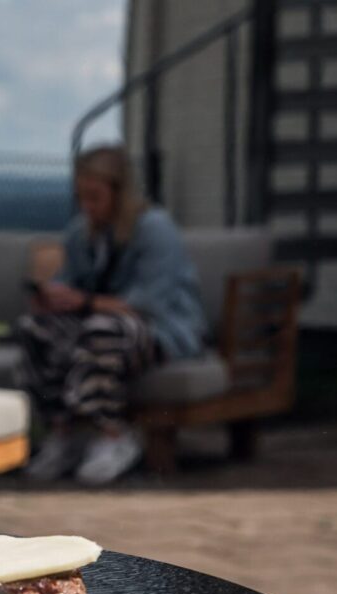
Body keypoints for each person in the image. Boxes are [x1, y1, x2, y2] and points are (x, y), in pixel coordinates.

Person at [16, 145, 204, 484]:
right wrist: (52, 298)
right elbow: (70, 285)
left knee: (103, 328)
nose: (87, 206)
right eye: (82, 197)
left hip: (160, 331)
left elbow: (147, 304)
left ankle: (114, 435)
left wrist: (83, 302)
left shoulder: (154, 228)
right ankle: (63, 433)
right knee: (36, 328)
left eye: (95, 197)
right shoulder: (81, 233)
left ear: (120, 193)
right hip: (99, 322)